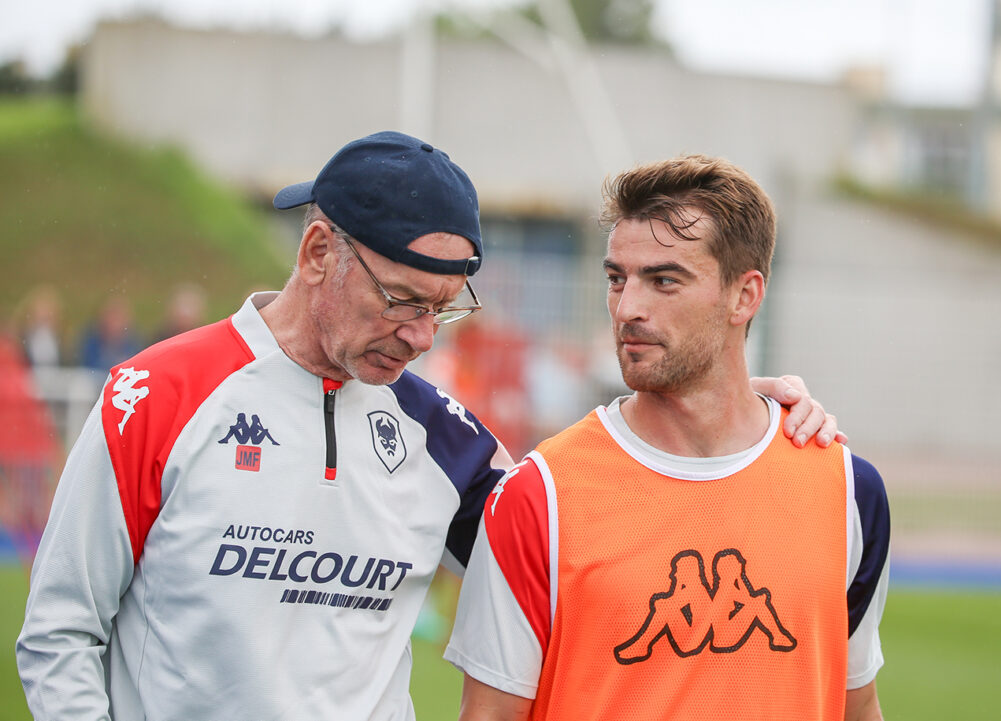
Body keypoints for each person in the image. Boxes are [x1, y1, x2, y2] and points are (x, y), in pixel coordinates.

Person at [16, 132, 840, 721]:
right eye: (402, 300)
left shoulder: (444, 438)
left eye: (440, 312)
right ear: (316, 253)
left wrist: (732, 416)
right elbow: (59, 636)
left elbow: (591, 530)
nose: (418, 336)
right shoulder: (156, 396)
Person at [444, 154, 890, 720]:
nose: (627, 308)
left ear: (745, 295)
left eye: (664, 280)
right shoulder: (538, 497)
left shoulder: (848, 491)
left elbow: (859, 704)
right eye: (616, 279)